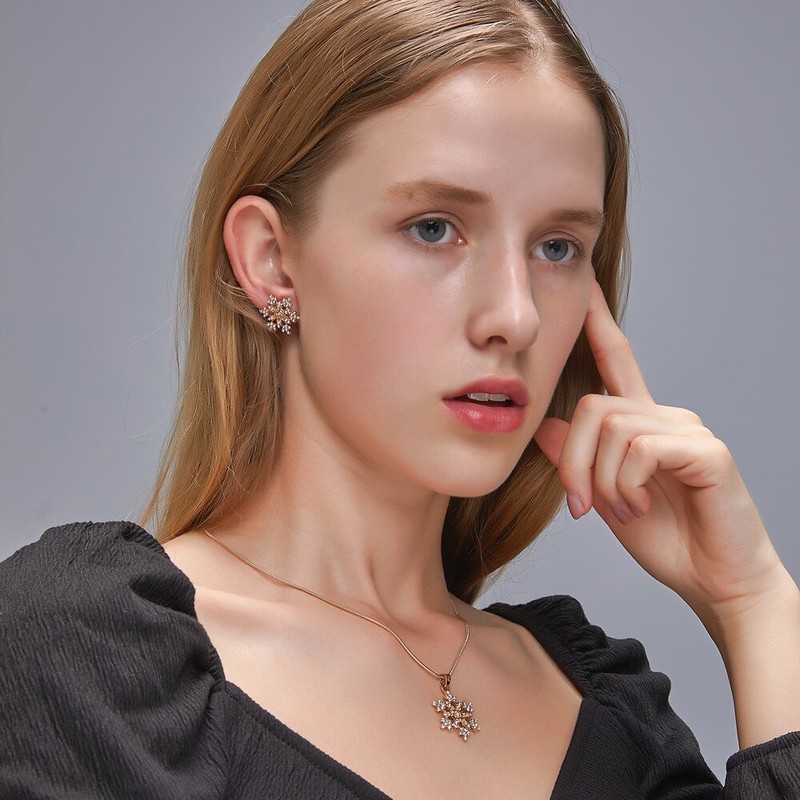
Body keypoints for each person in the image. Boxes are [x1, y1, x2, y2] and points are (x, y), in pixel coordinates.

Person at [1, 0, 799, 797]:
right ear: (272, 260)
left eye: (557, 247)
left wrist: (755, 601)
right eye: (434, 228)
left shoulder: (612, 717)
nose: (516, 315)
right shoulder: (95, 659)